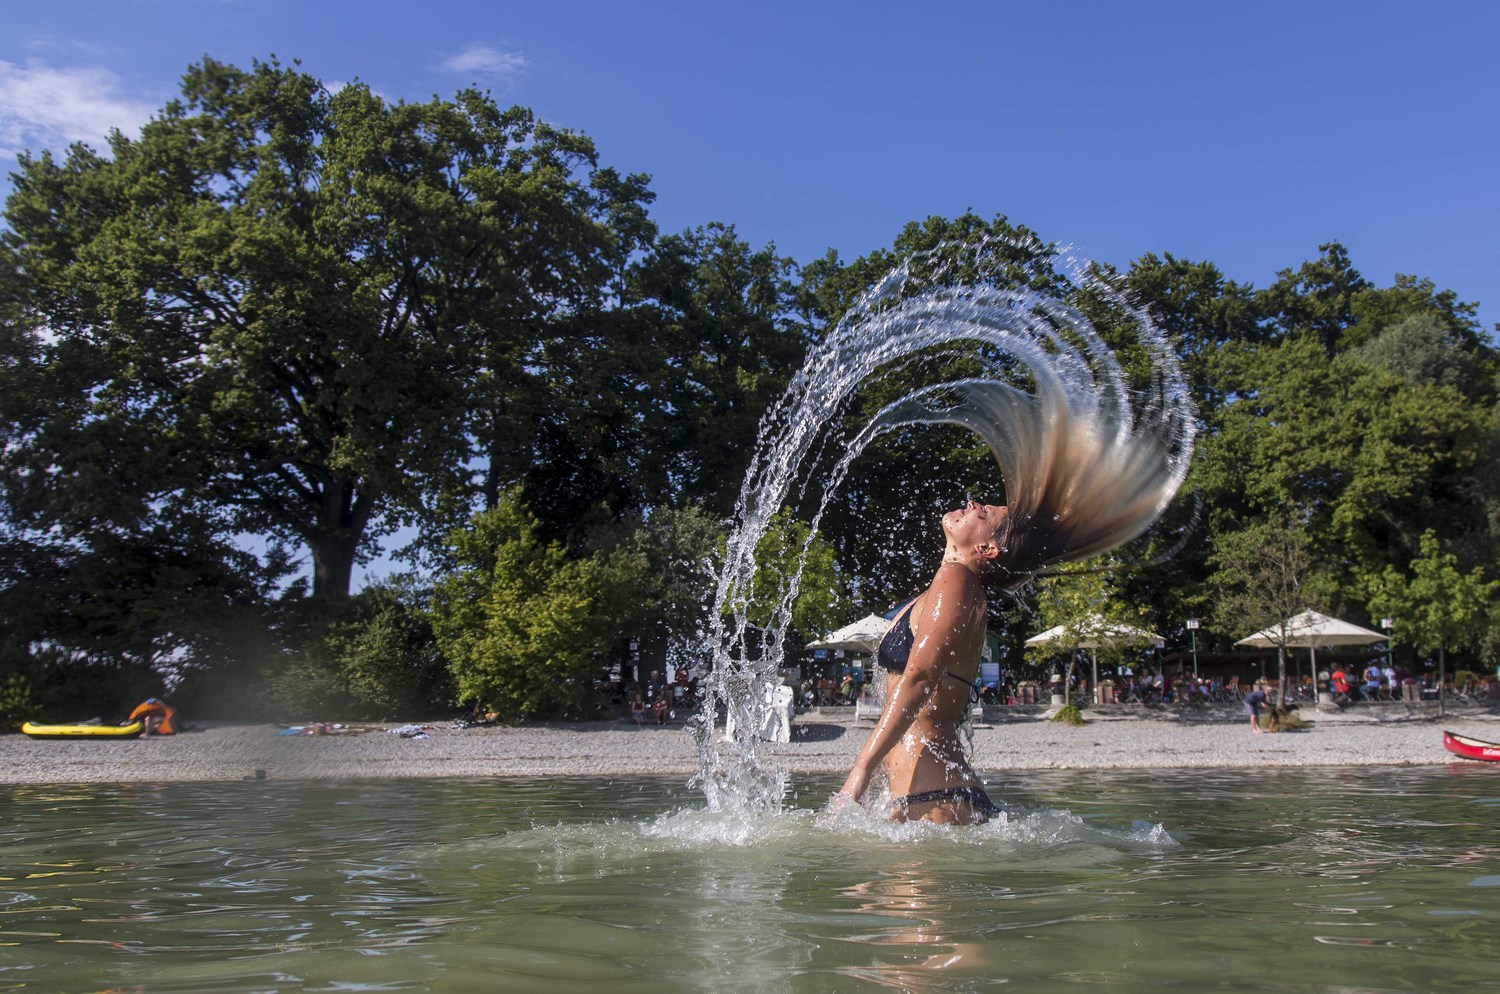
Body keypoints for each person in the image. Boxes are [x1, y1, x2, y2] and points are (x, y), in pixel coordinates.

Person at [835, 500, 1004, 825]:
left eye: (983, 512)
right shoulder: (955, 589)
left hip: (932, 800)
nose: (972, 503)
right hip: (930, 798)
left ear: (986, 548)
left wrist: (861, 771)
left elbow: (920, 676)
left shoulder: (957, 578)